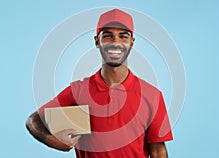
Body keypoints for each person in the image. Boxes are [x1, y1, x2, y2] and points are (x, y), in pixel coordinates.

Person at [26, 8, 173, 158]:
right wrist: (53, 141)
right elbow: (34, 120)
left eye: (123, 36)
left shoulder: (152, 95)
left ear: (131, 42)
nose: (116, 42)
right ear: (97, 41)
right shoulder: (79, 90)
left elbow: (158, 150)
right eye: (108, 36)